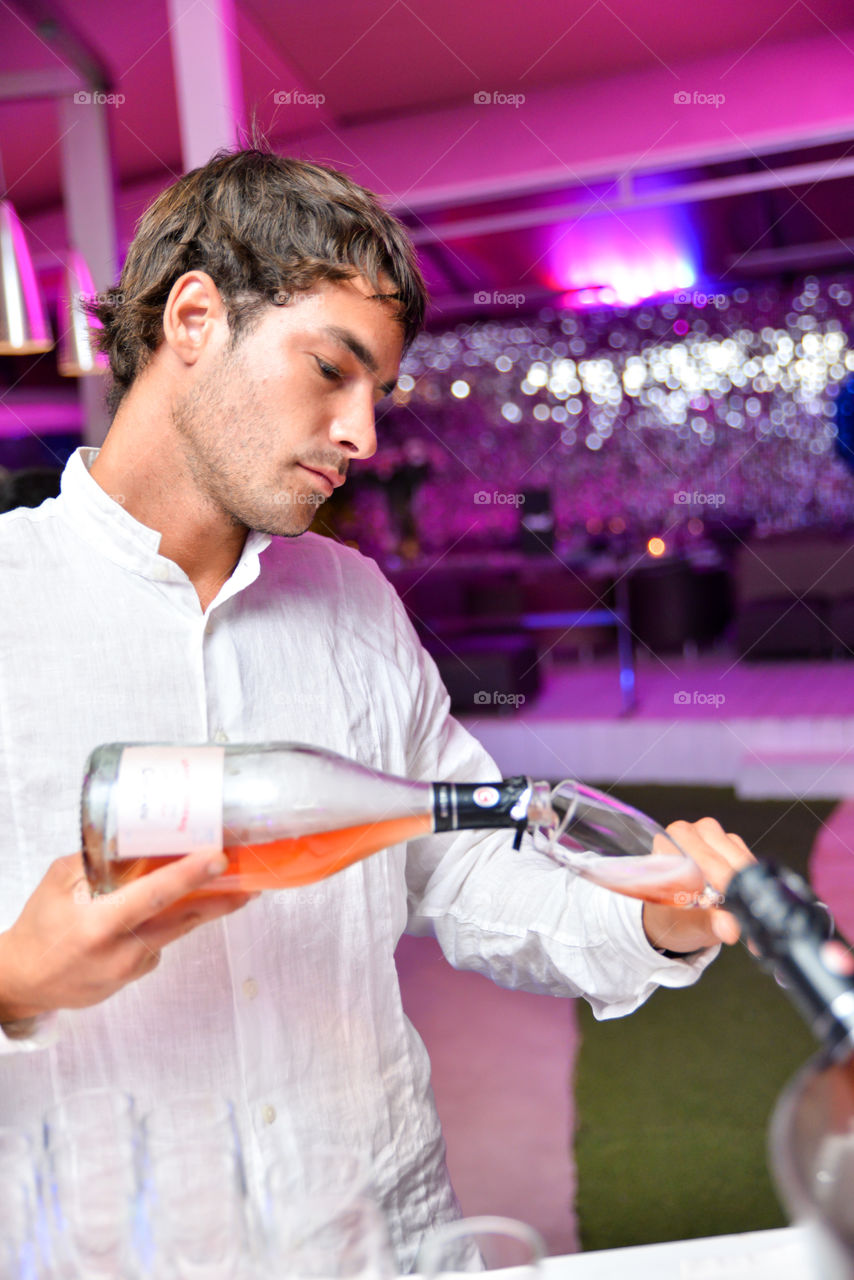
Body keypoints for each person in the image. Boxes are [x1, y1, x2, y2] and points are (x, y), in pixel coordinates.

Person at [0, 149, 752, 1267]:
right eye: (330, 370)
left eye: (377, 392)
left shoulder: (352, 599)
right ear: (195, 317)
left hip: (379, 1239)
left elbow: (465, 864)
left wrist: (649, 915)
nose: (361, 433)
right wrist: (14, 980)